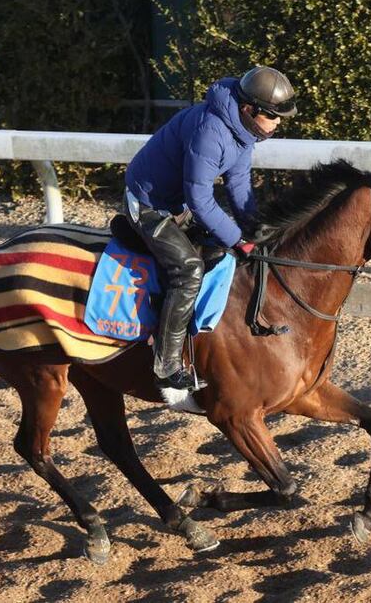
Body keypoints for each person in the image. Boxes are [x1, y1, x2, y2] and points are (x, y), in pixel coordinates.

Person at [124, 66, 297, 391]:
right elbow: (200, 198)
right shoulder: (211, 131)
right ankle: (166, 364)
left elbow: (239, 182)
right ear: (249, 109)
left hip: (176, 204)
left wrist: (253, 228)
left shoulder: (243, 130)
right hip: (147, 205)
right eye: (273, 116)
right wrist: (237, 239)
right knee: (188, 270)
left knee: (222, 254)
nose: (278, 123)